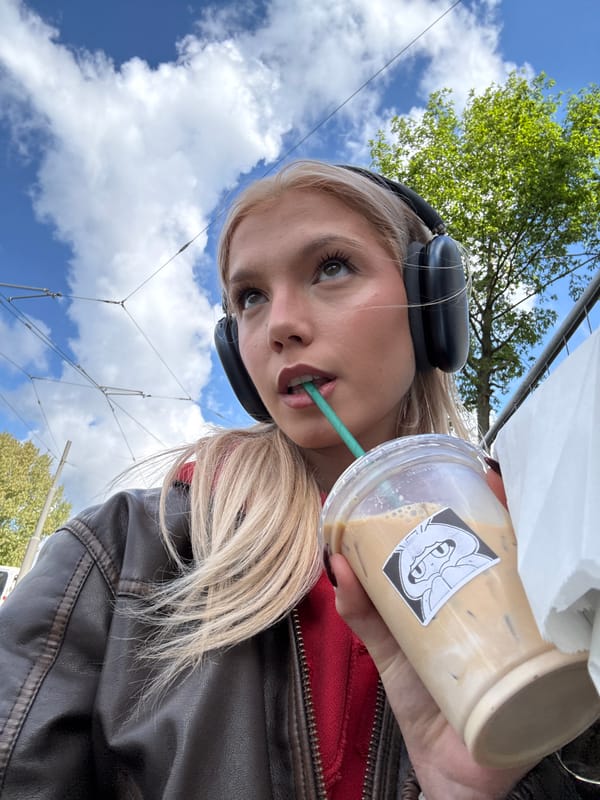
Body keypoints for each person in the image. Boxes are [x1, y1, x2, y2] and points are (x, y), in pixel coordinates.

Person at [0, 161, 596, 799]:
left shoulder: (550, 542)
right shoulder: (119, 552)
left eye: (332, 266)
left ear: (432, 302)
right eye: (249, 297)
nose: (279, 322)